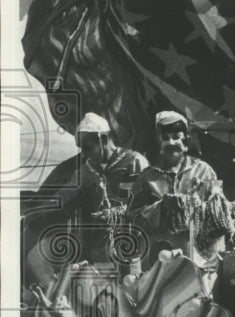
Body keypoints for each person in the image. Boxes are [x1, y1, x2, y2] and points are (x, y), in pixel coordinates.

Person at [23, 113, 148, 281]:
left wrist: (116, 213)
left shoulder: (135, 162)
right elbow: (62, 200)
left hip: (136, 250)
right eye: (82, 148)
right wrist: (33, 216)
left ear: (103, 139)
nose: (85, 154)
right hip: (100, 255)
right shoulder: (86, 172)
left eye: (88, 147)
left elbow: (145, 204)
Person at [128, 111, 219, 263]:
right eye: (165, 138)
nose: (171, 143)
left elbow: (218, 214)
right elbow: (133, 220)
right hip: (158, 259)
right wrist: (161, 207)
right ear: (158, 142)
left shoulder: (203, 171)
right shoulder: (147, 177)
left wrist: (193, 206)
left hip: (198, 257)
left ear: (186, 141)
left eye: (176, 137)